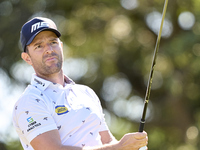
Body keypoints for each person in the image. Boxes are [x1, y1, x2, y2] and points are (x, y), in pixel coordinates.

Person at [12, 17, 148, 150]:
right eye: (39, 46)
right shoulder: (29, 102)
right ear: (27, 58)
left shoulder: (85, 93)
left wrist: (130, 147)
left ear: (61, 46)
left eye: (53, 42)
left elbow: (107, 141)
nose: (49, 49)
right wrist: (119, 147)